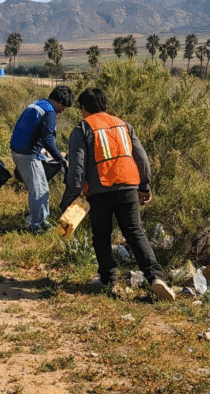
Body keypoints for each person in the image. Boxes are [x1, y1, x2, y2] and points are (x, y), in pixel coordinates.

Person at [58, 87, 175, 301]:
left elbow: (77, 169)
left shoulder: (83, 128)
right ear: (105, 105)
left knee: (101, 235)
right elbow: (141, 157)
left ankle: (108, 281)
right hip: (129, 187)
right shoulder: (124, 125)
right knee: (135, 233)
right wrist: (144, 186)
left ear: (84, 109)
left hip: (99, 190)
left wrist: (69, 200)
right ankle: (157, 278)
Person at [9, 85, 73, 233]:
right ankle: (35, 225)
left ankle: (42, 220)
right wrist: (61, 159)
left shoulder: (38, 104)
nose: (63, 111)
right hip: (28, 154)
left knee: (41, 187)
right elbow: (48, 140)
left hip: (21, 151)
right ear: (61, 101)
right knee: (38, 190)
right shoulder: (49, 111)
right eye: (64, 107)